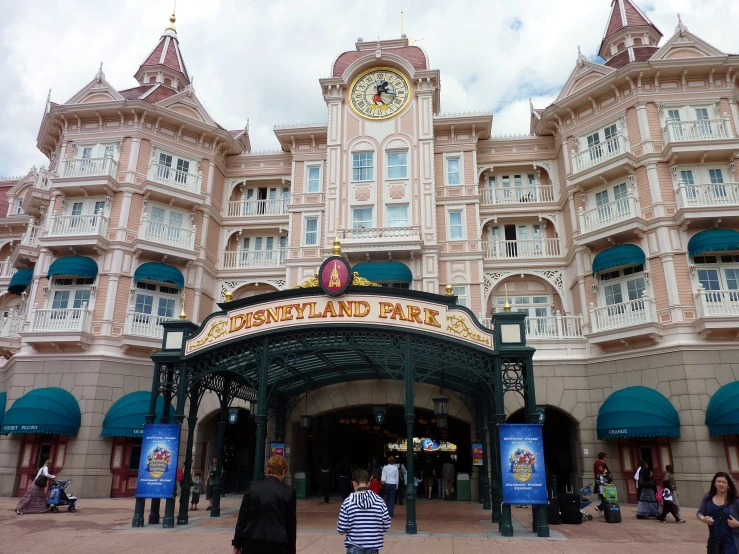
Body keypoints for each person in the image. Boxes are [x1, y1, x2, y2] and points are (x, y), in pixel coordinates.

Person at [232, 456, 296, 554]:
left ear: (267, 469)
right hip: (277, 543)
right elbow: (290, 523)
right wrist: (292, 549)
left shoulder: (252, 487)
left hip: (251, 540)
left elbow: (242, 518)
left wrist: (237, 543)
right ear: (284, 471)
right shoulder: (288, 491)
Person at [337, 469, 391, 554]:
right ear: (369, 483)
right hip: (373, 547)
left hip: (353, 546)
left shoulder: (348, 502)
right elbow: (386, 526)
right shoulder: (379, 501)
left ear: (353, 483)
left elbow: (341, 529)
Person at [697, 472, 739, 554]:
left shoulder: (735, 501)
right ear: (714, 484)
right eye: (719, 481)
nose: (721, 484)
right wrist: (703, 518)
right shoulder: (707, 497)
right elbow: (700, 512)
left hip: (732, 541)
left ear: (728, 485)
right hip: (714, 541)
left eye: (724, 482)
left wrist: (737, 524)